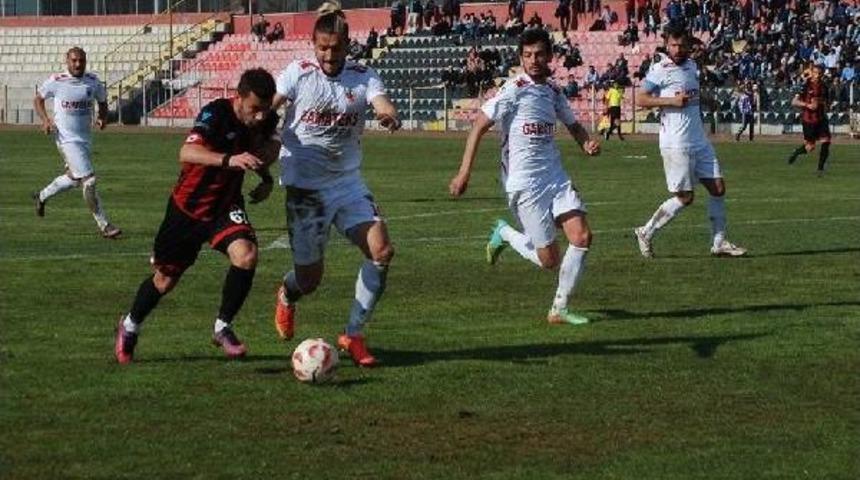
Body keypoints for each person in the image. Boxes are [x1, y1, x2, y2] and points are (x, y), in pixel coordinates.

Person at [113, 69, 280, 364]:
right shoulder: (215, 114)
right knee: (165, 280)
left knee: (247, 255)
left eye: (264, 109)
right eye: (254, 109)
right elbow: (187, 152)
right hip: (188, 209)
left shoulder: (264, 119)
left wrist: (265, 178)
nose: (259, 116)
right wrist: (229, 160)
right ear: (238, 97)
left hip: (225, 206)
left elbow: (256, 150)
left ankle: (223, 326)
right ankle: (129, 325)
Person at [271, 1, 401, 367]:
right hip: (305, 189)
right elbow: (273, 103)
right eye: (322, 47)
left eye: (336, 47)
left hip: (347, 184)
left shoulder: (363, 76)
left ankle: (353, 334)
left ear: (348, 44)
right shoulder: (298, 72)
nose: (329, 55)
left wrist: (387, 114)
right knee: (309, 280)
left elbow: (381, 103)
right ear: (313, 44)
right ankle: (286, 294)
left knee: (382, 251)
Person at [449, 28, 601, 326]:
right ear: (521, 57)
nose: (533, 60)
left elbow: (573, 125)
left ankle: (559, 309)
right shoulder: (513, 89)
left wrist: (586, 143)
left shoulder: (554, 91)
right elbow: (479, 125)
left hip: (554, 175)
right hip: (523, 182)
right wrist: (464, 171)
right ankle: (504, 233)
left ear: (549, 57)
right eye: (527, 55)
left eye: (539, 54)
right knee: (549, 260)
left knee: (582, 237)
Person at [633, 25, 747, 258]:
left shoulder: (692, 66)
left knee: (718, 188)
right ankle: (646, 231)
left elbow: (691, 93)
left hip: (698, 139)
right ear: (667, 45)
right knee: (686, 198)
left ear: (688, 46)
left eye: (682, 45)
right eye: (673, 45)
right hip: (676, 143)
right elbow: (641, 99)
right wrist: (671, 101)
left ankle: (719, 242)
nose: (677, 49)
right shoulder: (660, 69)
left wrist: (707, 101)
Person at [32, 47, 120, 239]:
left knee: (74, 178)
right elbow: (38, 99)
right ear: (67, 61)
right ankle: (104, 225)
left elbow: (103, 102)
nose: (78, 64)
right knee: (89, 180)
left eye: (81, 61)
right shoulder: (57, 81)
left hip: (85, 139)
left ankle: (41, 196)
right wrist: (45, 120)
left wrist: (102, 117)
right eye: (74, 61)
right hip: (66, 139)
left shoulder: (93, 81)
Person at [786, 65, 832, 175]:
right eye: (816, 73)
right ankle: (796, 152)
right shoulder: (805, 86)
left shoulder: (824, 86)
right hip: (808, 120)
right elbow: (794, 102)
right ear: (812, 73)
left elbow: (827, 103)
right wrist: (808, 105)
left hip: (821, 119)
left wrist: (822, 103)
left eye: (820, 73)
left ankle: (820, 169)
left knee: (826, 141)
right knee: (810, 147)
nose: (818, 76)